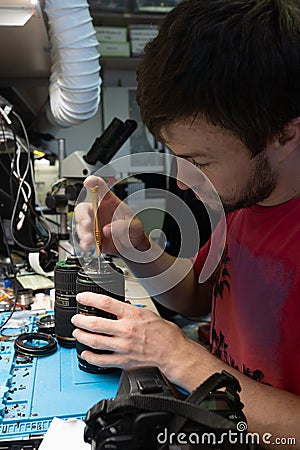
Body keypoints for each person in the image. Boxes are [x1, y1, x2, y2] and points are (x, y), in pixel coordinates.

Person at [72, 0, 300, 447]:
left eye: (199, 160)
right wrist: (135, 242)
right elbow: (200, 297)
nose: (187, 178)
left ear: (285, 135)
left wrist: (180, 356)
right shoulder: (245, 196)